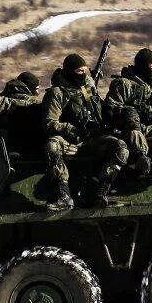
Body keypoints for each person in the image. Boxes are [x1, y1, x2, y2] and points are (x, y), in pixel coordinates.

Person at [40, 53, 131, 211]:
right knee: (52, 145)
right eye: (79, 71)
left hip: (93, 137)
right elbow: (50, 122)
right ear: (69, 72)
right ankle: (64, 195)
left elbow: (97, 108)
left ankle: (100, 191)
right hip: (71, 140)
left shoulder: (87, 87)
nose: (83, 74)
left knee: (121, 147)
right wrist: (70, 128)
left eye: (84, 71)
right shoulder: (57, 93)